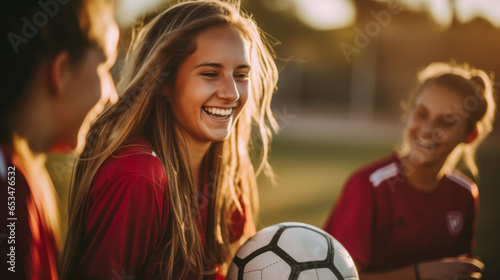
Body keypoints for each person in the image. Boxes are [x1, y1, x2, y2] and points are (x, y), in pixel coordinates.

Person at [59, 1, 279, 279]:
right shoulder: (139, 175)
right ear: (163, 81)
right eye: (210, 74)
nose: (232, 93)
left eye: (241, 75)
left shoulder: (230, 172)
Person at [324, 62, 496, 280]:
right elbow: (335, 276)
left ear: (470, 136)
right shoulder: (369, 186)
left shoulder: (465, 194)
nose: (427, 129)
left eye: (446, 121)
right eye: (422, 114)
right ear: (409, 112)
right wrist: (418, 274)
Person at [0, 0, 119, 279]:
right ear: (62, 71)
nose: (112, 95)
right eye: (104, 68)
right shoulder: (9, 194)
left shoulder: (22, 174)